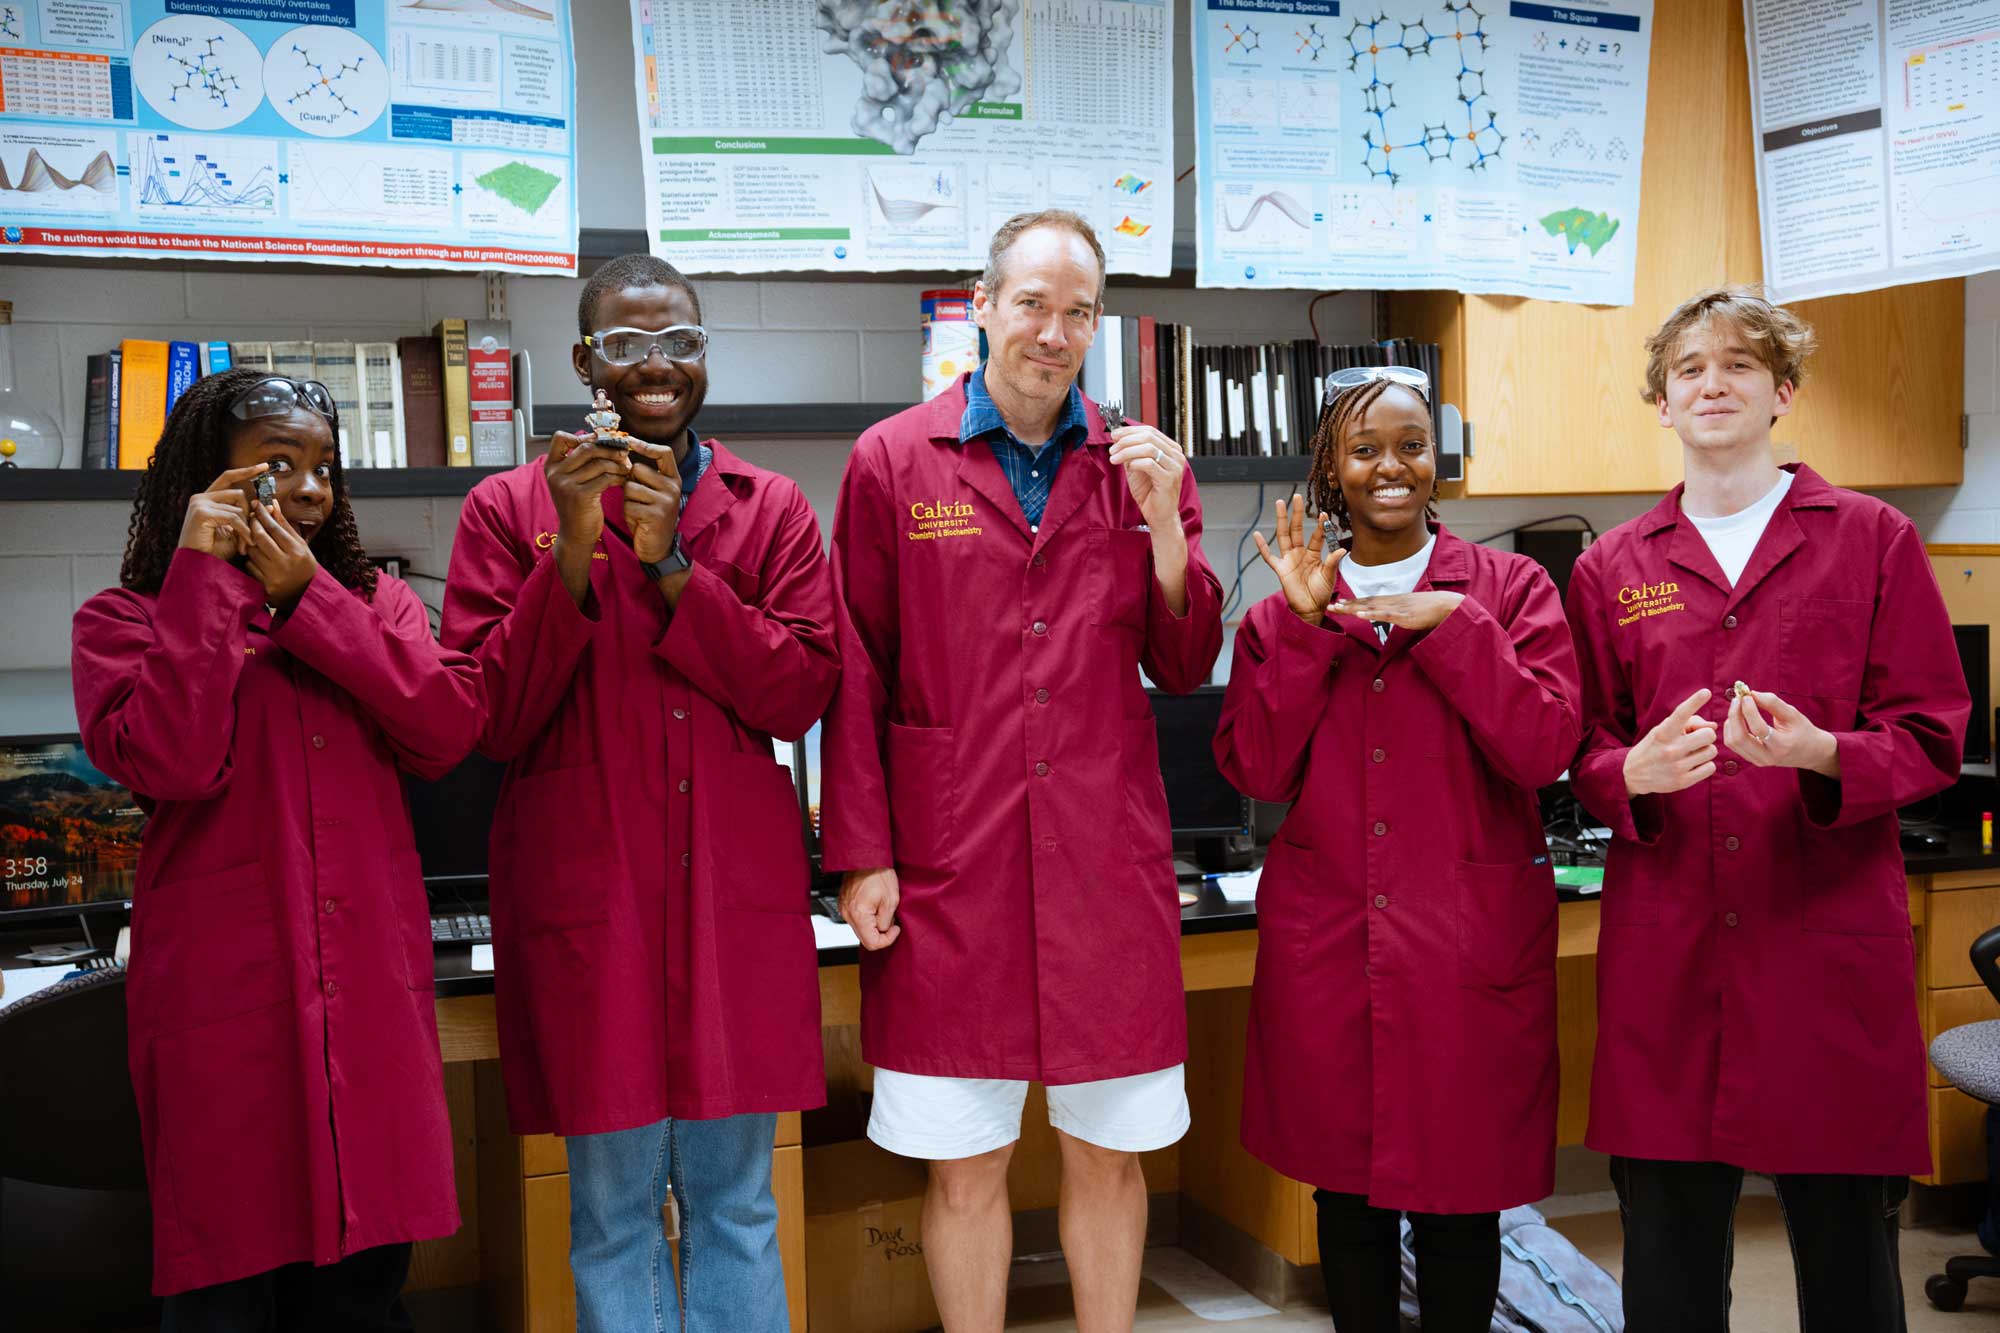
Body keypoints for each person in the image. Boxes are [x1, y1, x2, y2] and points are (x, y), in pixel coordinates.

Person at [822, 209, 1224, 1332]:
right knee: (964, 1167)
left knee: (1107, 1155)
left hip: (1104, 863)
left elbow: (1183, 663)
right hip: (954, 867)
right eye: (1033, 304)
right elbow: (855, 668)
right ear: (983, 305)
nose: (1054, 331)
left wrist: (1164, 531)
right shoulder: (893, 461)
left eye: (1079, 312)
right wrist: (858, 856)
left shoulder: (1141, 466)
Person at [441, 254, 837, 1333]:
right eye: (625, 345)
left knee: (737, 1206)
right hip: (591, 908)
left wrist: (671, 569)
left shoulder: (772, 508)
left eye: (680, 342)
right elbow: (491, 716)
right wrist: (573, 546)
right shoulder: (504, 510)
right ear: (583, 362)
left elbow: (801, 690)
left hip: (729, 906)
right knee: (611, 1215)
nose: (655, 367)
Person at [1565, 287, 1970, 1331]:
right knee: (1664, 1253)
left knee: (1846, 1256)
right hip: (1671, 951)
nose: (1712, 382)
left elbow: (1932, 732)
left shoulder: (1872, 539)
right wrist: (1630, 776)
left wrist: (1821, 751)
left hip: (1819, 947)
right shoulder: (1611, 566)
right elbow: (1576, 750)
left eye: (1739, 363)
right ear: (1659, 401)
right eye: (1688, 367)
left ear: (1781, 390)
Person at [71, 367, 483, 1329]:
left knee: (364, 1288)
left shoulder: (373, 606)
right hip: (227, 1005)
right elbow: (169, 760)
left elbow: (446, 730)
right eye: (276, 464)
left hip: (369, 1000)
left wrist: (311, 601)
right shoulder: (124, 624)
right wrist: (207, 582)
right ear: (205, 483)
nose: (305, 489)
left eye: (323, 469)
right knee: (227, 1287)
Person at [1212, 366, 1580, 1331]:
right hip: (1329, 940)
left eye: (1412, 445)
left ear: (1438, 458)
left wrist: (1458, 629)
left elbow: (1546, 746)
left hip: (1465, 945)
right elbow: (1255, 767)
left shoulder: (1511, 589)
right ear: (1333, 465)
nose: (1391, 467)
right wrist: (1299, 627)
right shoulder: (1284, 605)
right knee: (1348, 1192)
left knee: (1464, 1193)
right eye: (1365, 448)